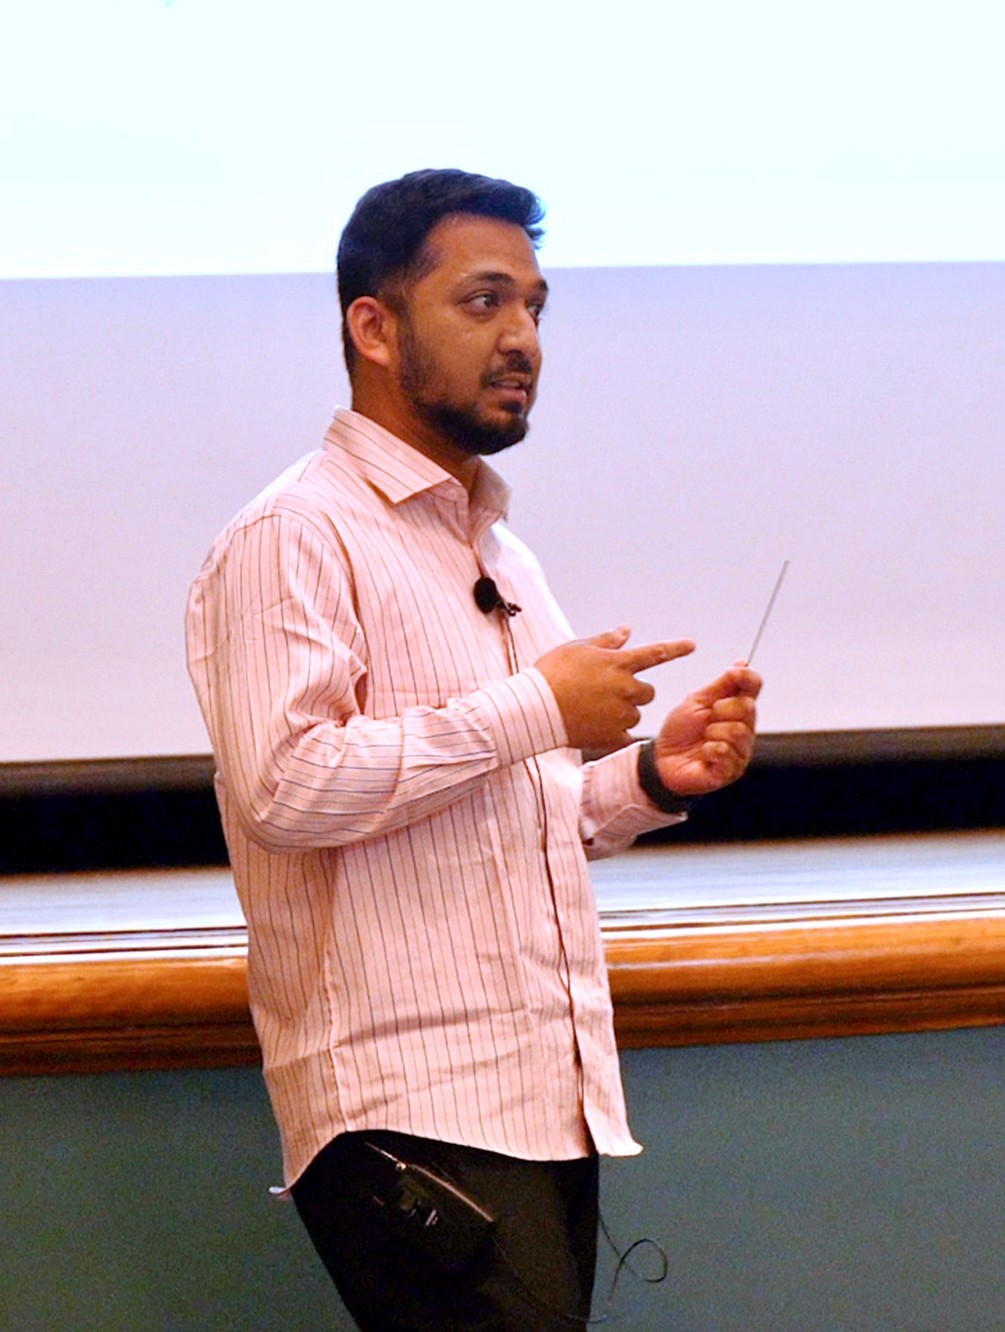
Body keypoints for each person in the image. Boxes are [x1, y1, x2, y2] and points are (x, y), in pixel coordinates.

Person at [186, 168, 761, 1330]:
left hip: (542, 1099)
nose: (524, 339)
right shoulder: (294, 535)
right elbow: (287, 787)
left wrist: (651, 777)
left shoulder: (502, 549)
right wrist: (538, 713)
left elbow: (515, 811)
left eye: (537, 308)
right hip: (406, 1113)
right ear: (375, 327)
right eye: (485, 302)